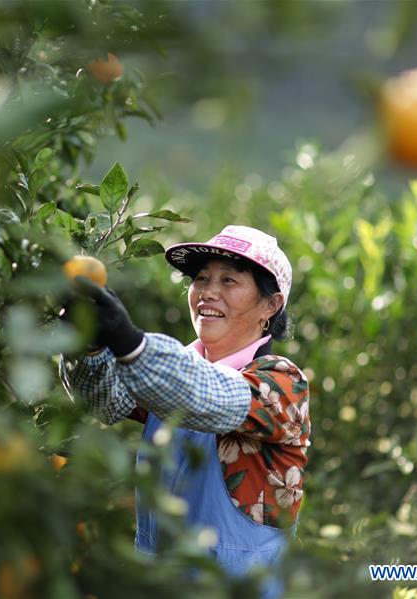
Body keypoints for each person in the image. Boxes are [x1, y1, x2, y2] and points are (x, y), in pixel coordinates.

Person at [59, 225, 310, 599]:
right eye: (202, 279)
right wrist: (90, 346)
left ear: (270, 306)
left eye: (229, 281)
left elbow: (212, 397)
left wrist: (131, 344)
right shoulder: (174, 371)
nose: (208, 292)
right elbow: (106, 401)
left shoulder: (282, 382)